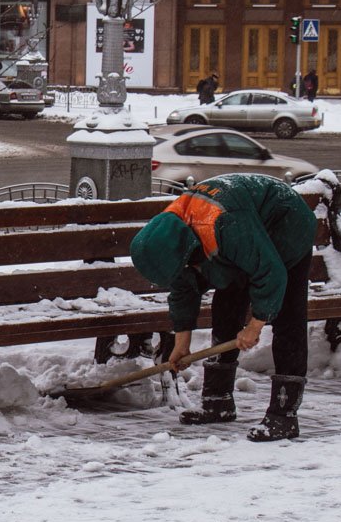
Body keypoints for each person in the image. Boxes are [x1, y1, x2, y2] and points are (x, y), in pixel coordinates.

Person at [130, 174, 318, 442]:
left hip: (287, 223)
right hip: (242, 228)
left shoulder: (226, 225)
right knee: (226, 306)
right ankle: (218, 402)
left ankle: (284, 415)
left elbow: (271, 272)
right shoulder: (171, 235)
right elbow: (183, 286)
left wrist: (255, 325)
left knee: (288, 317)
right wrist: (182, 343)